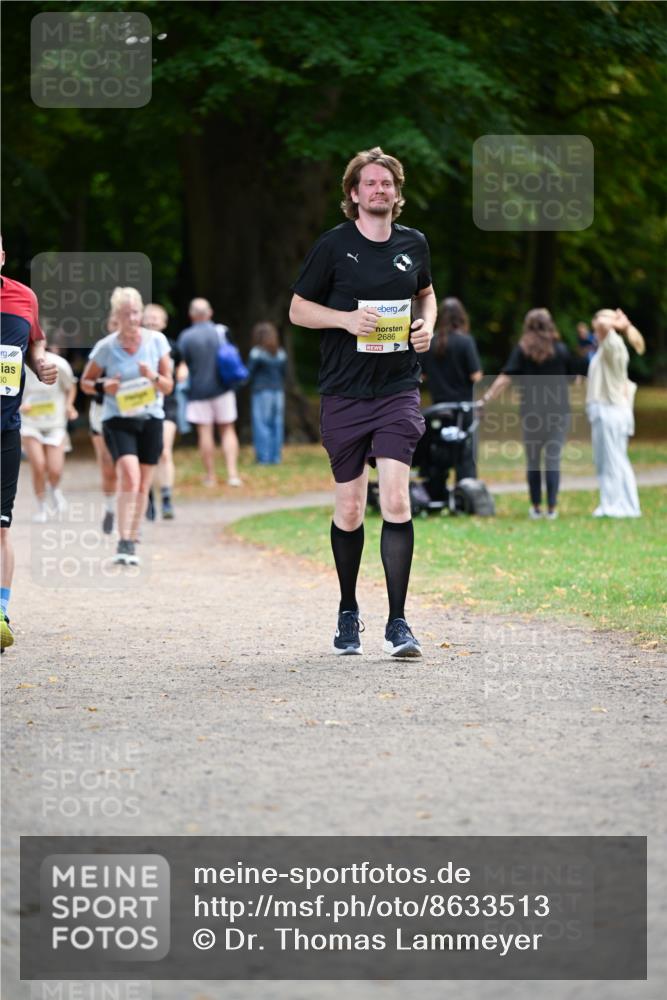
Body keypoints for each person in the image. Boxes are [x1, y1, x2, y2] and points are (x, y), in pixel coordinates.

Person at [289, 146, 436, 658]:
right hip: (344, 392)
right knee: (350, 507)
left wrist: (427, 325)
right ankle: (348, 610)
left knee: (395, 499)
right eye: (370, 183)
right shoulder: (334, 246)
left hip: (397, 388)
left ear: (397, 193)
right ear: (353, 193)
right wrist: (345, 320)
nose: (379, 190)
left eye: (386, 183)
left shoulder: (414, 243)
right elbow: (297, 309)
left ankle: (399, 623)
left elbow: (426, 293)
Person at [81, 287, 173, 566]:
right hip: (117, 419)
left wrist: (152, 376)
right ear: (116, 316)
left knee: (143, 482)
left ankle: (132, 538)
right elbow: (85, 383)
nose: (132, 318)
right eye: (125, 313)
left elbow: (168, 386)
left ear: (141, 312)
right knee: (130, 476)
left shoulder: (157, 341)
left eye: (135, 312)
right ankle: (122, 540)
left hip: (150, 417)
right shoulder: (106, 347)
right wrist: (103, 386)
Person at [0, 235, 58, 650]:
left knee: (0, 528)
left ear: (2, 256)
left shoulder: (24, 297)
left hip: (6, 428)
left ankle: (0, 613)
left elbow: (34, 342)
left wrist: (40, 364)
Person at [483, 308, 587, 520]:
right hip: (559, 413)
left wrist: (486, 398)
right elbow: (574, 378)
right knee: (552, 460)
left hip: (531, 414)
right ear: (550, 325)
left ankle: (536, 507)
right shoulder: (560, 350)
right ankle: (552, 509)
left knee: (533, 461)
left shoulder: (522, 351)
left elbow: (506, 377)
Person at [177, 298, 243, 488]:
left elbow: (182, 365)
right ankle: (233, 474)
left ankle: (210, 476)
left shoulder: (186, 337)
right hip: (223, 388)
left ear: (191, 315)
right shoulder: (221, 331)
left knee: (205, 432)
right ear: (210, 312)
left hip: (198, 391)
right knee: (227, 429)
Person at [586, 308, 645, 518]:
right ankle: (624, 505)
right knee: (613, 460)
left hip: (610, 411)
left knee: (612, 461)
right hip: (607, 411)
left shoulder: (613, 344)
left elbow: (603, 324)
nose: (595, 332)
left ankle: (614, 506)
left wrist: (619, 324)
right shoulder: (607, 346)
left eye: (596, 329)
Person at [419, 296, 483, 488]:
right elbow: (476, 375)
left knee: (439, 451)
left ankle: (437, 491)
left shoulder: (432, 342)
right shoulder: (465, 342)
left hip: (439, 409)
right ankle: (465, 492)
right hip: (463, 408)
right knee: (465, 454)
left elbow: (422, 375)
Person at [20, 344, 78, 522]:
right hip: (29, 423)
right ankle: (41, 507)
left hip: (55, 424)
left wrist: (69, 406)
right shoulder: (16, 364)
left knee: (55, 469)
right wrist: (19, 406)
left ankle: (54, 488)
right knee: (38, 465)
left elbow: (71, 387)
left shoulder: (58, 364)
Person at [143, 302, 179, 518]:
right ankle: (147, 498)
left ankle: (166, 499)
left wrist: (182, 371)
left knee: (164, 450)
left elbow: (183, 364)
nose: (152, 320)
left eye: (156, 317)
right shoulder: (134, 344)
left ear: (164, 323)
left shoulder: (172, 346)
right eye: (148, 316)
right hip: (141, 401)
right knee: (146, 453)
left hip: (166, 402)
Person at [247, 321, 288, 464]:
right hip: (278, 392)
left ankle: (263, 458)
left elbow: (249, 373)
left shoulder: (256, 353)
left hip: (262, 392)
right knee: (277, 424)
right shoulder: (281, 353)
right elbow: (285, 374)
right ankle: (275, 457)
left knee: (261, 424)